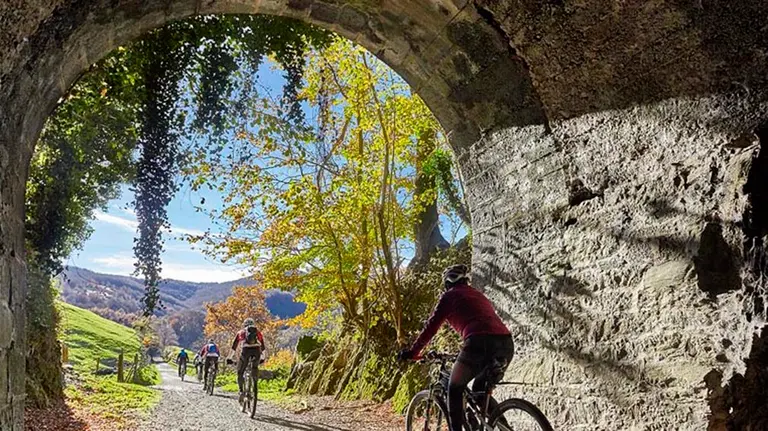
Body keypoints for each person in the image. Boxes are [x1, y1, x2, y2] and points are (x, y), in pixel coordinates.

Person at [397, 264, 514, 431]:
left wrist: (413, 352)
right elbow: (483, 321)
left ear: (447, 283)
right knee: (480, 390)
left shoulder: (449, 296)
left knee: (454, 388)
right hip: (506, 344)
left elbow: (431, 326)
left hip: (478, 343)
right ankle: (504, 428)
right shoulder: (478, 295)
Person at [228, 317, 266, 403]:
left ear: (244, 325)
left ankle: (241, 391)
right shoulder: (257, 332)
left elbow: (234, 347)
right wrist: (263, 358)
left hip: (246, 351)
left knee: (240, 372)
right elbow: (263, 346)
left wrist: (229, 358)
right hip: (256, 351)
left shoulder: (241, 332)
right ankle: (254, 384)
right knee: (254, 368)